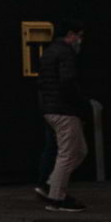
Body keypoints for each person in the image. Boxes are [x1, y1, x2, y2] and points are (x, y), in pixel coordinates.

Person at [35, 22, 88, 211]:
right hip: (63, 110)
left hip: (52, 108)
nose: (80, 40)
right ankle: (56, 198)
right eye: (79, 35)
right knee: (67, 154)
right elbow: (68, 82)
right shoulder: (65, 53)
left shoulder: (49, 51)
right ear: (70, 34)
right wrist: (82, 103)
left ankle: (52, 184)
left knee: (79, 151)